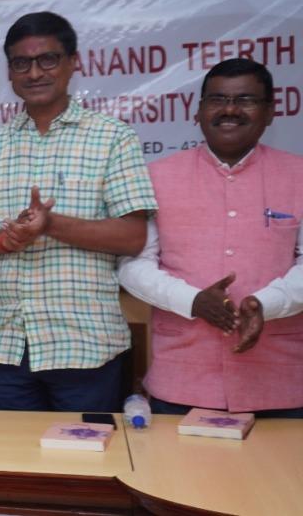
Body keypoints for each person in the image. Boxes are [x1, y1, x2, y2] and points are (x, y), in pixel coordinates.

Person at [0, 11, 157, 412]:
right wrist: (6, 239)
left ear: (73, 62)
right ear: (9, 71)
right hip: (8, 346)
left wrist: (51, 224)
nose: (34, 73)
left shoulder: (113, 137)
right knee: (11, 453)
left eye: (47, 59)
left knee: (87, 452)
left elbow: (133, 236)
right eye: (21, 63)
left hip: (86, 346)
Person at [118, 58, 303, 417]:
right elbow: (132, 264)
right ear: (198, 111)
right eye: (217, 99)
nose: (230, 109)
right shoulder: (155, 177)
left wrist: (265, 304)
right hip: (182, 380)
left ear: (270, 112)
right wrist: (193, 301)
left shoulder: (299, 175)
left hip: (281, 382)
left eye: (245, 100)